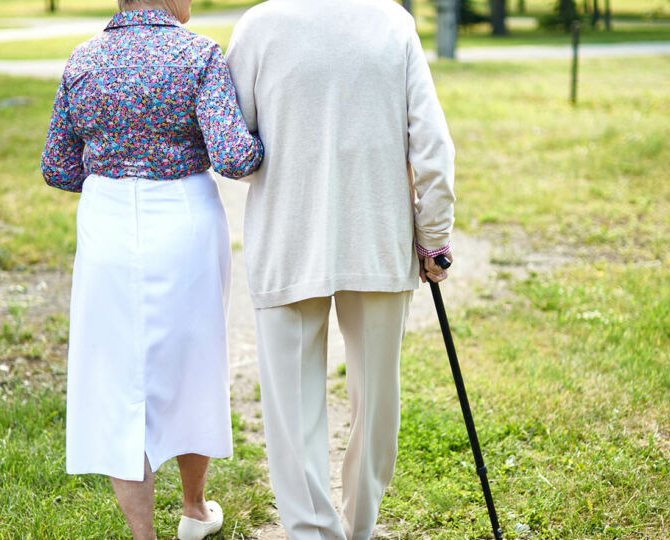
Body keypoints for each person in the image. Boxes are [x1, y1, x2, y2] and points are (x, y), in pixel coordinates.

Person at [224, 0, 457, 538]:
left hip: (288, 238)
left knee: (292, 408)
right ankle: (360, 526)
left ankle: (311, 531)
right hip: (375, 238)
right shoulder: (393, 21)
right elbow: (432, 146)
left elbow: (231, 145)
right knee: (376, 400)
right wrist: (435, 238)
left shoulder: (258, 25)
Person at [39, 0, 263, 538]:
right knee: (192, 360)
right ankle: (193, 509)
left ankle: (144, 535)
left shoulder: (83, 60)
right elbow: (233, 158)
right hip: (184, 219)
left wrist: (117, 171)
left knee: (117, 374)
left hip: (107, 222)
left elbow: (57, 166)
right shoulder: (200, 55)